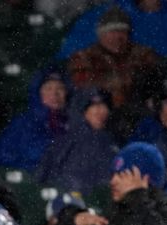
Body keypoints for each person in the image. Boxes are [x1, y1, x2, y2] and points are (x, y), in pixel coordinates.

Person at [67, 6, 160, 138]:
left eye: (122, 31)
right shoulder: (83, 57)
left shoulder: (144, 55)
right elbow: (84, 89)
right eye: (111, 32)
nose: (118, 36)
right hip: (100, 120)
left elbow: (158, 81)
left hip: (138, 118)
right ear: (100, 34)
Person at [34, 88, 119, 195]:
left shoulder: (110, 141)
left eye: (105, 106)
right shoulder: (66, 141)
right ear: (82, 111)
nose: (102, 111)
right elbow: (44, 175)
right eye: (95, 106)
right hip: (71, 202)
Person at [0, 69, 69, 172]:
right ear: (38, 92)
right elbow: (4, 158)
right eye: (48, 88)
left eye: (60, 88)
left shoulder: (75, 125)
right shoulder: (22, 123)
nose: (55, 94)